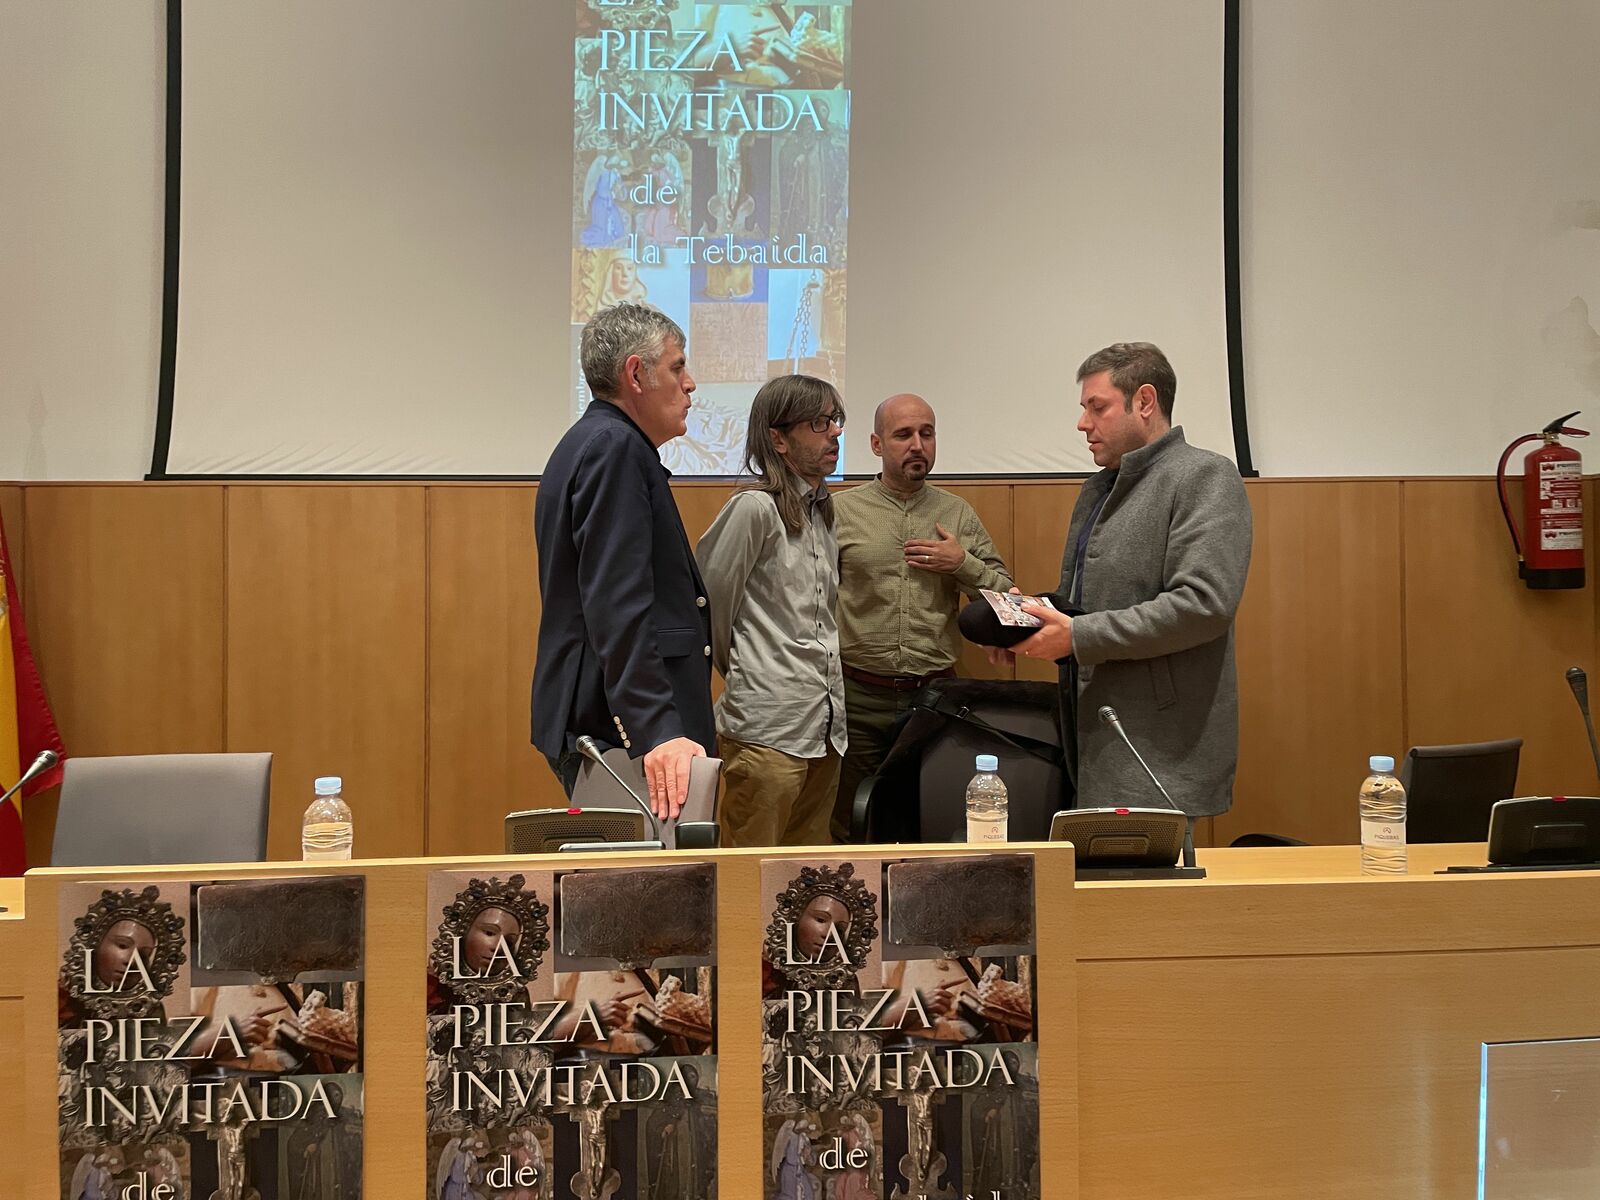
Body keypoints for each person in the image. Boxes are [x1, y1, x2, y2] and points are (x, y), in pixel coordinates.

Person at [995, 343, 1252, 817]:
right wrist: (1027, 618)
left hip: (1159, 750)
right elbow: (1084, 604)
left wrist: (1077, 636)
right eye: (1083, 409)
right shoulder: (1101, 486)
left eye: (1098, 408)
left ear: (1145, 402)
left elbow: (1204, 604)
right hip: (1094, 739)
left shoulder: (1205, 476)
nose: (1082, 424)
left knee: (1146, 891)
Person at [531, 303, 715, 819]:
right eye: (678, 367)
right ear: (636, 373)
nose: (691, 384)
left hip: (614, 718)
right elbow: (617, 603)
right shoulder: (614, 448)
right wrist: (655, 728)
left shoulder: (596, 442)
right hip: (626, 731)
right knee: (645, 893)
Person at [831, 393, 1012, 838]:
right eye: (903, 434)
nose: (917, 444)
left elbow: (1008, 596)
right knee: (851, 823)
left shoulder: (956, 513)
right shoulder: (839, 512)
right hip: (856, 696)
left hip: (933, 698)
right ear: (876, 444)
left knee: (931, 818)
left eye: (926, 434)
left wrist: (961, 563)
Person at [697, 375, 847, 847]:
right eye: (819, 423)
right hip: (767, 731)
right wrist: (751, 673)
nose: (834, 434)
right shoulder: (753, 510)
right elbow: (709, 611)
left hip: (825, 729)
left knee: (807, 882)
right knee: (748, 882)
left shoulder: (823, 511)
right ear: (778, 438)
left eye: (836, 421)